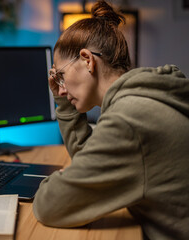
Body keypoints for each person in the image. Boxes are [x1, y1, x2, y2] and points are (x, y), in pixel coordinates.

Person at [32, 1, 189, 239]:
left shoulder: (130, 119)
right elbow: (94, 159)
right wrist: (63, 101)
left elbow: (50, 206)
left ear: (87, 60)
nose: (61, 90)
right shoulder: (139, 99)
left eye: (61, 76)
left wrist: (57, 178)